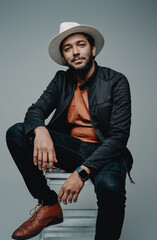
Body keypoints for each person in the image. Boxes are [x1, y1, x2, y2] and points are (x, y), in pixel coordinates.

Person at [6, 22, 134, 240]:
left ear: (92, 50)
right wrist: (41, 131)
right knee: (17, 132)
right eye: (68, 48)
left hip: (107, 153)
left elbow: (119, 137)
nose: (75, 52)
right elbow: (36, 109)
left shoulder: (116, 81)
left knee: (111, 190)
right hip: (71, 148)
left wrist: (82, 172)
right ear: (64, 57)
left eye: (81, 45)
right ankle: (49, 205)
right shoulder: (61, 79)